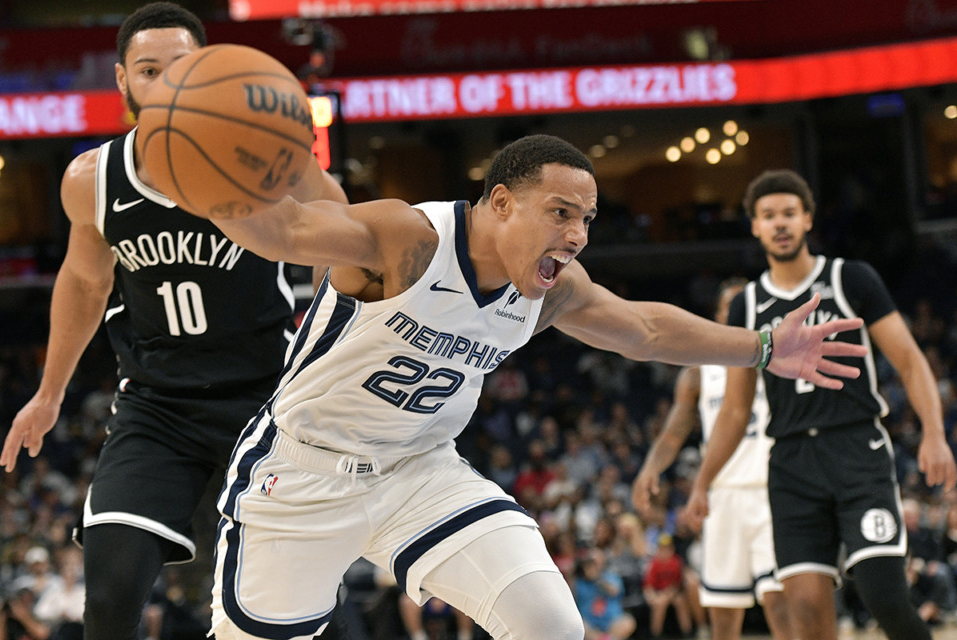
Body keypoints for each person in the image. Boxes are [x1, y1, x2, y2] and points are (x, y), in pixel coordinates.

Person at [204, 134, 866, 640]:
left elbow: (644, 330)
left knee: (549, 622)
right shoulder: (408, 239)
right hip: (302, 474)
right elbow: (285, 229)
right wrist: (187, 163)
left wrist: (767, 347)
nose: (577, 235)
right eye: (560, 213)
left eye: (587, 219)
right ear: (500, 202)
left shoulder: (549, 289)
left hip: (419, 474)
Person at [0, 4, 347, 640]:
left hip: (267, 396)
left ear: (207, 74)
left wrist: (328, 348)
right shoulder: (92, 179)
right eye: (147, 70)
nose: (163, 84)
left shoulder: (266, 160)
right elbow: (83, 281)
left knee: (302, 606)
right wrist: (48, 395)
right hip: (158, 405)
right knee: (108, 594)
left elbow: (343, 237)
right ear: (123, 81)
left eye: (179, 69)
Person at [686, 169, 957, 640]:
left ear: (807, 218)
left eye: (789, 213)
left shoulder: (850, 278)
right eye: (768, 216)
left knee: (885, 599)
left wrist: (934, 435)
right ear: (754, 226)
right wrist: (703, 482)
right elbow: (734, 410)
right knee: (806, 611)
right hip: (791, 463)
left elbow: (911, 362)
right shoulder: (746, 306)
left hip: (857, 450)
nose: (780, 223)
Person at [632, 278, 792, 640]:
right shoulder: (698, 372)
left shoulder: (779, 361)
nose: (736, 312)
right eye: (728, 306)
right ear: (718, 314)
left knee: (779, 601)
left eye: (743, 305)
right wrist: (649, 469)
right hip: (721, 497)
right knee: (723, 610)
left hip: (773, 492)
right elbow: (673, 433)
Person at [575, 547, 636, 640]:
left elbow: (614, 591)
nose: (592, 566)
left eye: (595, 562)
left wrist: (598, 579)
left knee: (628, 622)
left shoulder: (611, 576)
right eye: (589, 563)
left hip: (612, 623)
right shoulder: (580, 582)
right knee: (579, 624)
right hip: (590, 625)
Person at [642, 534, 692, 638]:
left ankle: (687, 632)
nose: (665, 551)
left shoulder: (676, 562)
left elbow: (678, 584)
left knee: (680, 602)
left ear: (672, 549)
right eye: (662, 548)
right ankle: (656, 634)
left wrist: (670, 593)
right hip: (659, 592)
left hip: (674, 592)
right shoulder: (654, 563)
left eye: (667, 548)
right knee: (660, 603)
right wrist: (651, 596)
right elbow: (649, 584)